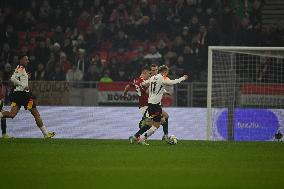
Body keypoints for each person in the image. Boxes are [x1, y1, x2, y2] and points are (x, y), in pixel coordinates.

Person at [0, 55, 55, 139]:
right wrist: (23, 84)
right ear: (21, 60)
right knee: (36, 114)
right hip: (24, 95)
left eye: (28, 60)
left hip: (18, 95)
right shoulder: (20, 68)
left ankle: (46, 134)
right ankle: (46, 134)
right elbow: (12, 79)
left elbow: (16, 79)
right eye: (26, 59)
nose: (27, 61)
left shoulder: (20, 69)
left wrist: (25, 78)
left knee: (12, 114)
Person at [138, 65, 188, 145]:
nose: (167, 74)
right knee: (156, 125)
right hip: (155, 105)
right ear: (165, 72)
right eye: (167, 72)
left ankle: (141, 136)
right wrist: (183, 78)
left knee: (161, 120)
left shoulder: (152, 78)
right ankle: (141, 138)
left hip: (150, 104)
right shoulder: (162, 77)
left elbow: (144, 84)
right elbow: (172, 82)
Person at [123, 65, 151, 137]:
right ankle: (137, 136)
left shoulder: (136, 80)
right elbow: (147, 92)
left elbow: (128, 86)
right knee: (149, 124)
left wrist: (125, 94)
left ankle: (137, 136)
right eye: (149, 74)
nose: (150, 75)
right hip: (145, 105)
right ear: (145, 73)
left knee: (155, 121)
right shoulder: (143, 82)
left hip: (143, 105)